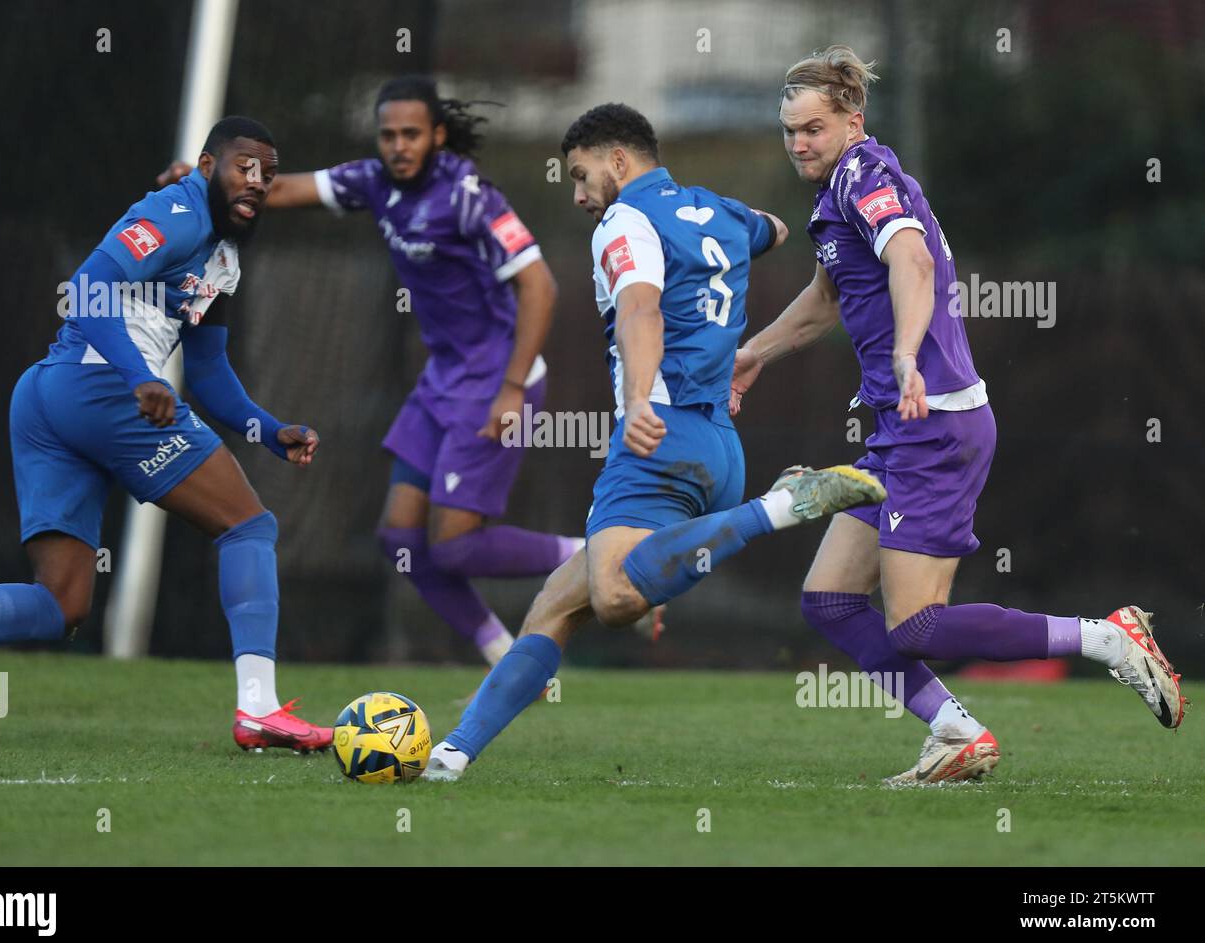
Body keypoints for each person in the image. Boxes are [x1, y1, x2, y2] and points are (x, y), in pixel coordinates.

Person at [731, 46, 1185, 784]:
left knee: (917, 625)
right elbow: (826, 299)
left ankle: (1108, 639)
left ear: (853, 120)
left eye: (812, 128)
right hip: (901, 427)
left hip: (933, 423)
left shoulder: (865, 176)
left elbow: (909, 260)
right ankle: (954, 732)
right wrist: (756, 353)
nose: (798, 144)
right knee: (830, 599)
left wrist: (907, 353)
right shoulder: (836, 193)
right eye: (789, 131)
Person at [422, 103, 886, 781]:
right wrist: (736, 233)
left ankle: (783, 505)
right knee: (558, 602)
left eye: (581, 177)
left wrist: (638, 397)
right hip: (717, 444)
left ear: (619, 161)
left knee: (611, 597)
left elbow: (640, 307)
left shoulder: (626, 219)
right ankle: (453, 754)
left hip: (660, 433)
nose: (580, 196)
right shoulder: (721, 212)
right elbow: (777, 228)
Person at [0, 117, 333, 753]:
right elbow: (87, 287)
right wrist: (139, 378)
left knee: (62, 603)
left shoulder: (223, 256)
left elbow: (210, 371)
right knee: (249, 526)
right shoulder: (178, 214)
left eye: (268, 174)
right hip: (98, 389)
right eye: (244, 166)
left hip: (52, 399)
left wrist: (270, 431)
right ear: (207, 165)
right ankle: (259, 710)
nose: (257, 182)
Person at [159, 76, 589, 665]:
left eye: (411, 134)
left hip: (496, 381)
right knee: (401, 538)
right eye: (388, 134)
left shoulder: (471, 196)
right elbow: (278, 190)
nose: (399, 145)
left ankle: (599, 553)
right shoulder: (372, 182)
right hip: (443, 379)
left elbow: (541, 287)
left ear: (437, 136)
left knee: (456, 548)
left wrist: (512, 389)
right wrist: (210, 179)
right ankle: (504, 655)